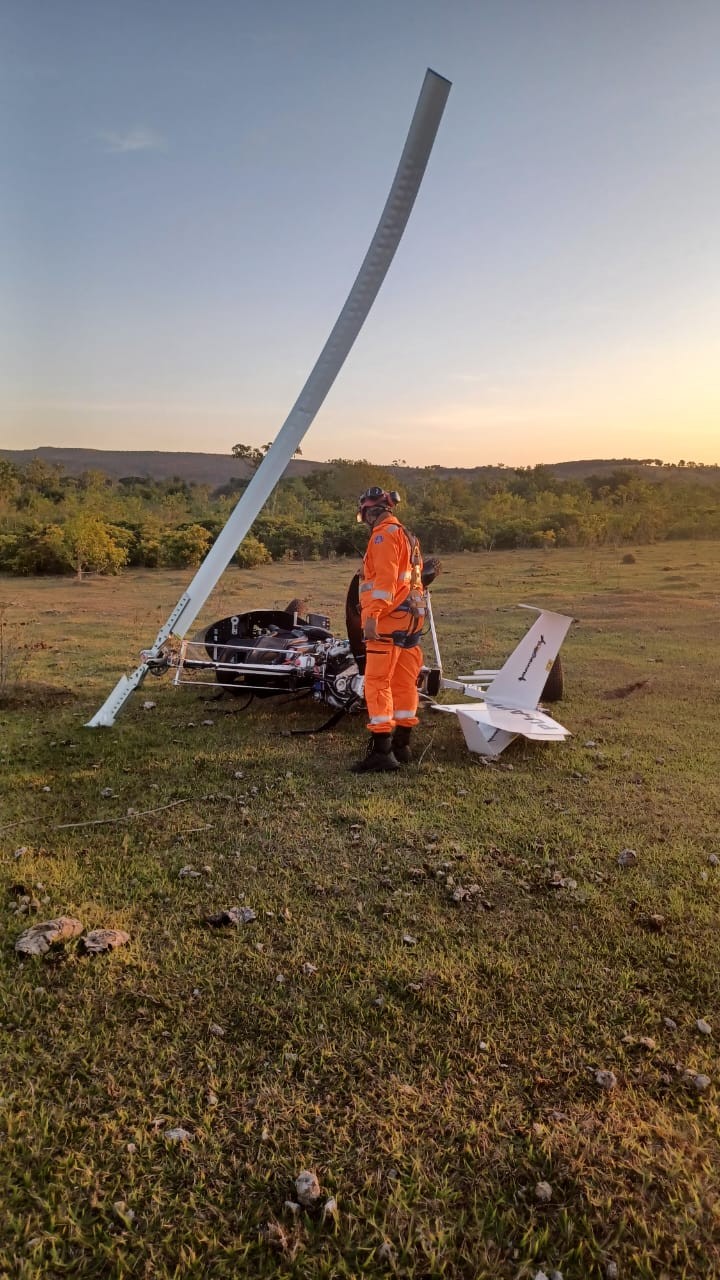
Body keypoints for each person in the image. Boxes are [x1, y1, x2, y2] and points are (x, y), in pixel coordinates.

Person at [351, 487, 425, 772]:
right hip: (411, 620)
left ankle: (381, 751)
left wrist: (370, 617)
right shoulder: (407, 534)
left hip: (388, 619)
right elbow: (412, 578)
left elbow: (385, 582)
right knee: (405, 683)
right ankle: (402, 745)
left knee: (377, 682)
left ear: (370, 512)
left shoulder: (382, 536)